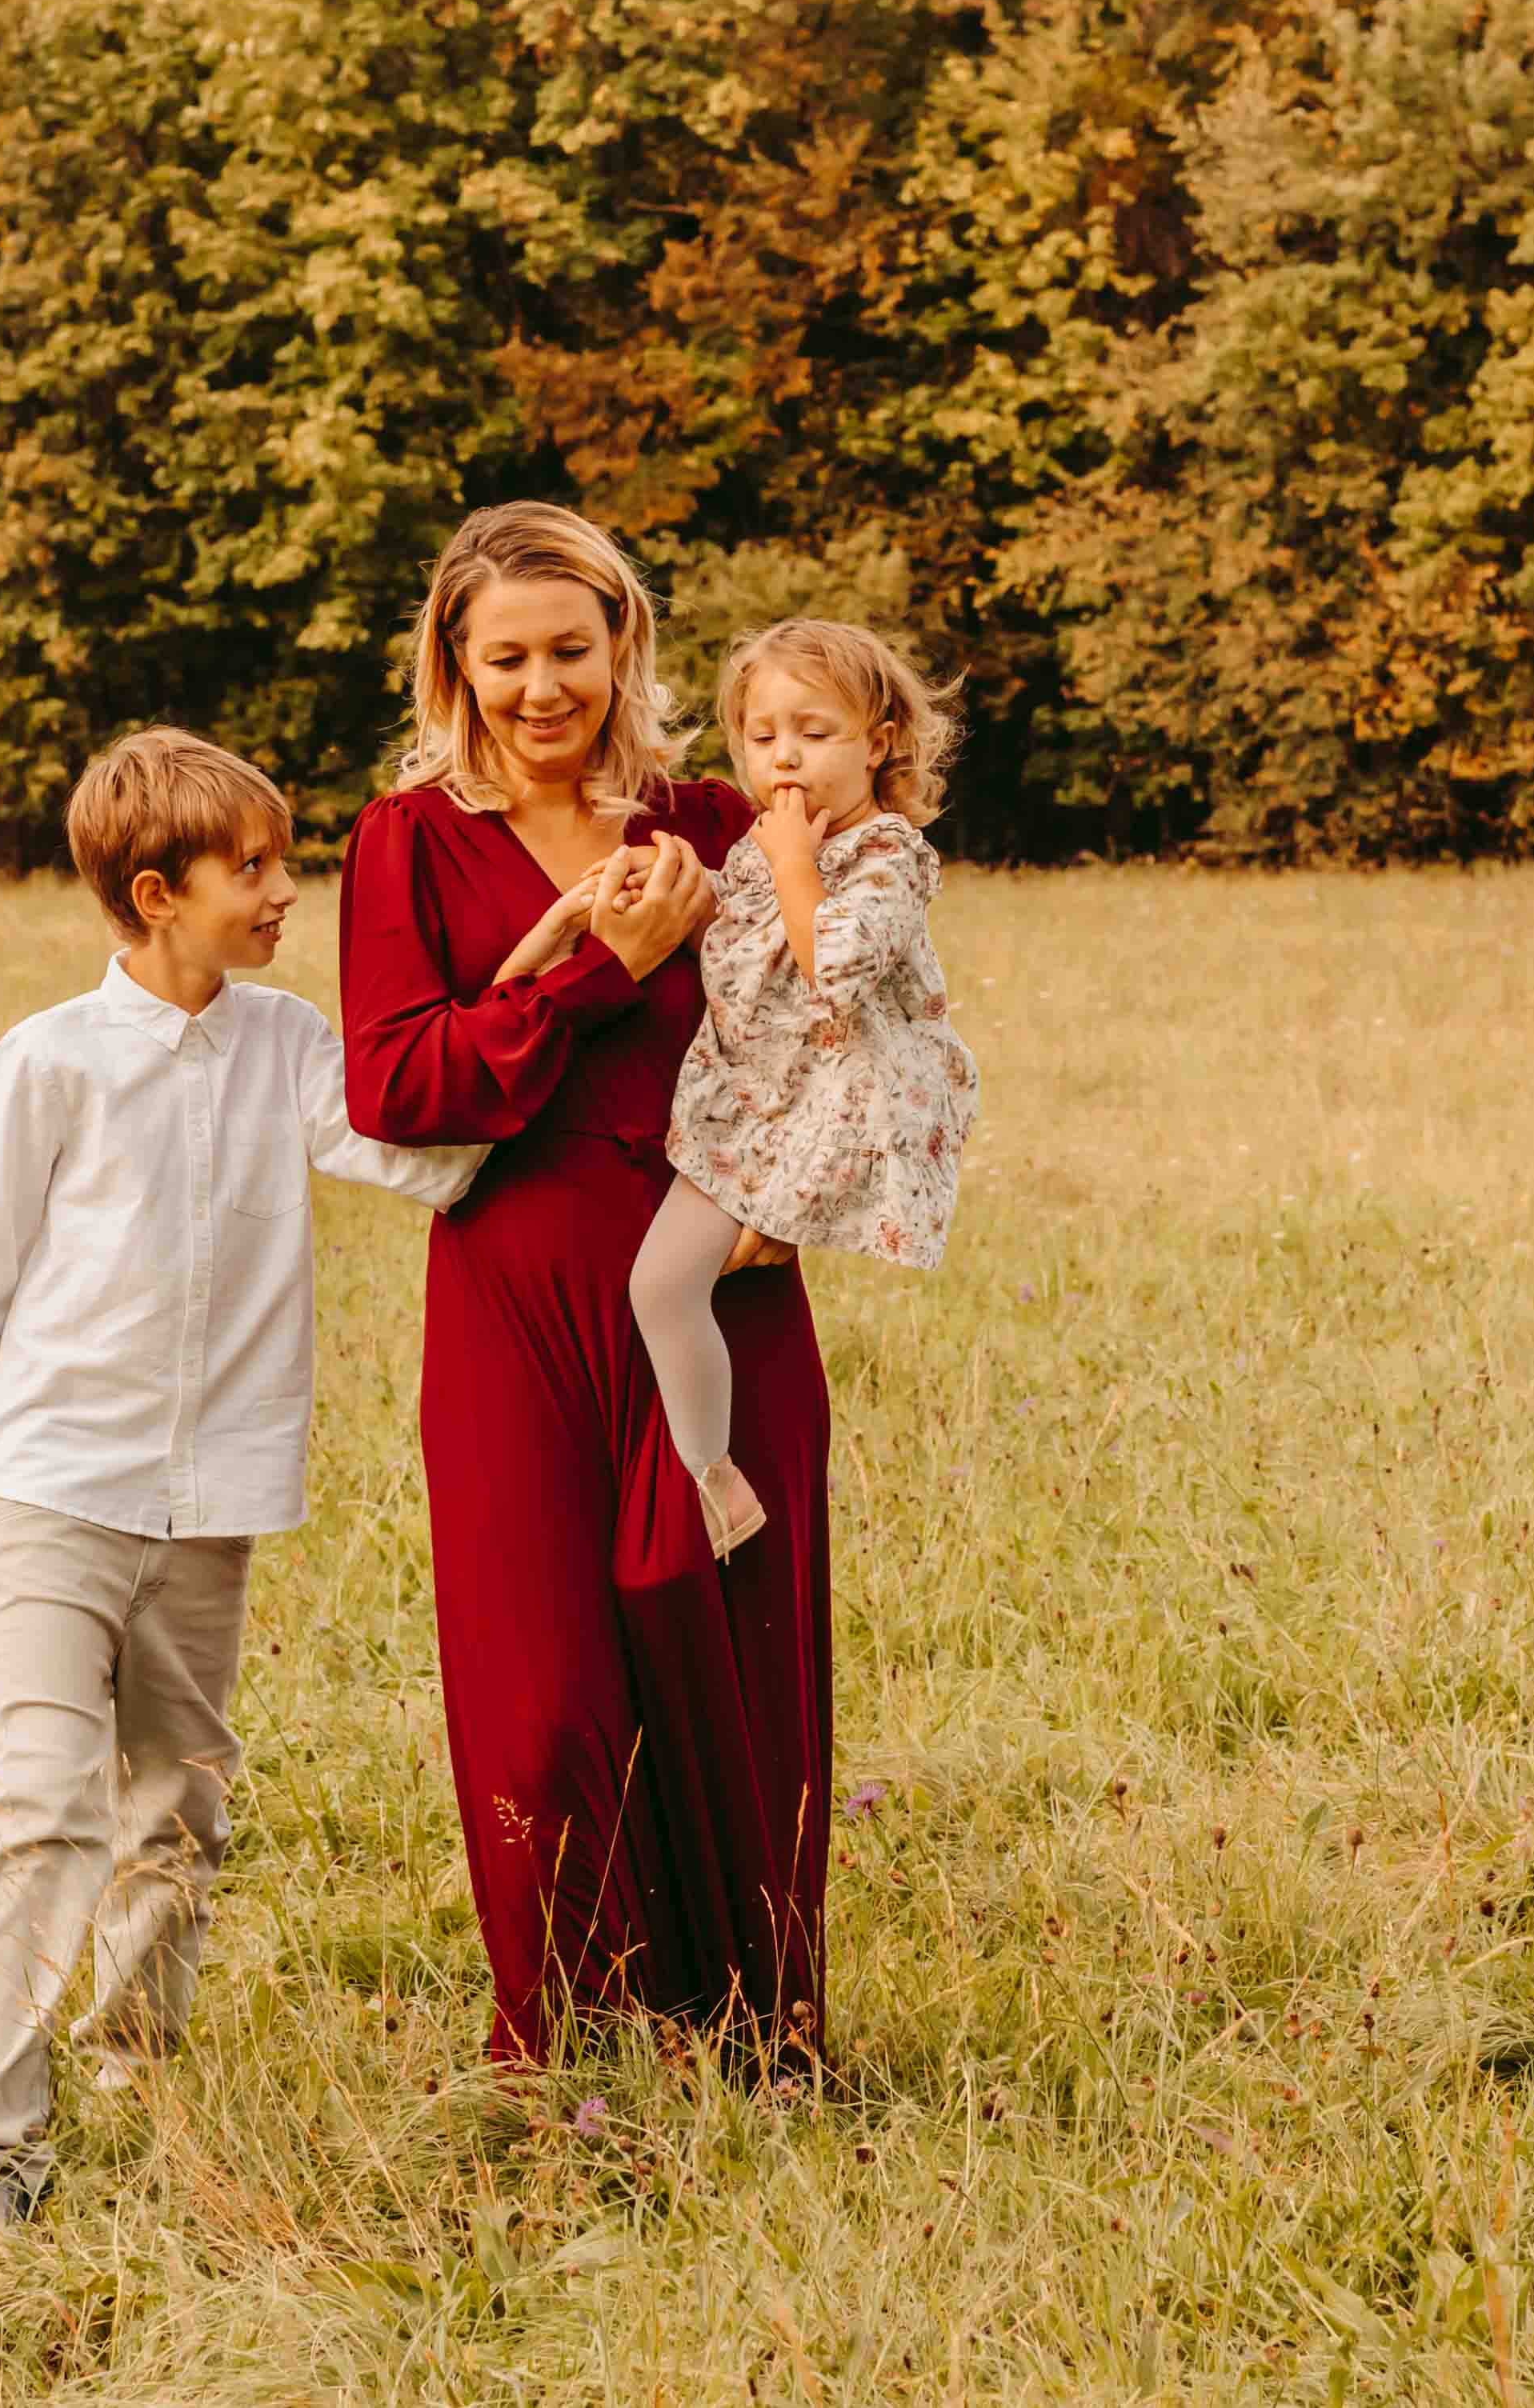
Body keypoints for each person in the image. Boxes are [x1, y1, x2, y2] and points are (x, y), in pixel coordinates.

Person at [0, 726, 485, 2238]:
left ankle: (132, 2067)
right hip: (45, 1489)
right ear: (157, 891)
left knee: (176, 1806)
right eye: (255, 868)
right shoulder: (47, 1060)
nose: (286, 889)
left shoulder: (287, 1042)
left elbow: (424, 1159)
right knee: (41, 1807)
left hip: (210, 1501)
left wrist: (557, 974)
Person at [338, 501, 834, 2074]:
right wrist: (589, 974)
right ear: (454, 664)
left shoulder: (708, 815)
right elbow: (396, 1080)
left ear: (622, 640)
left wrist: (796, 1195)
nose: (542, 684)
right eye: (506, 657)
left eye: (570, 646)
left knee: (732, 1642)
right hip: (520, 1290)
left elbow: (843, 1026)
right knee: (539, 1671)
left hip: (720, 1282)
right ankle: (561, 2038)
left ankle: (761, 2021)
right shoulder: (406, 839)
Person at [622, 622, 976, 1562]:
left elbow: (834, 964)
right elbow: (744, 931)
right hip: (755, 1101)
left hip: (831, 1110)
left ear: (880, 739)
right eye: (761, 733)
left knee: (669, 1278)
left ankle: (711, 1472)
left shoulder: (887, 853)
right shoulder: (764, 845)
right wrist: (674, 879)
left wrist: (789, 862)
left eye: (813, 732)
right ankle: (709, 1471)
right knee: (661, 1284)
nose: (783, 755)